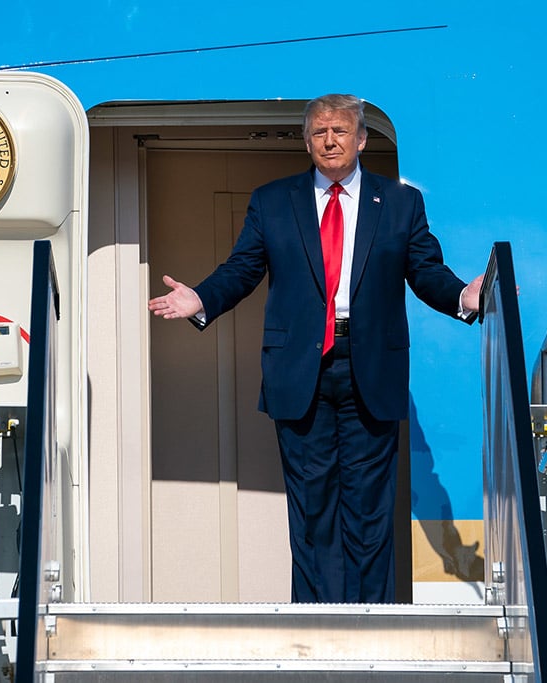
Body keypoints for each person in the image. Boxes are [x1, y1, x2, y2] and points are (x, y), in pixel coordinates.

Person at [148, 93, 483, 604]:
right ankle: (317, 623)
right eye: (320, 132)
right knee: (311, 508)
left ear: (362, 139)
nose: (330, 140)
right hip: (299, 370)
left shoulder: (398, 202)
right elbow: (242, 269)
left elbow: (426, 272)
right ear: (307, 141)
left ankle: (372, 627)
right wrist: (200, 298)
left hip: (369, 366)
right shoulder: (272, 200)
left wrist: (465, 294)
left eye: (341, 131)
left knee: (370, 510)